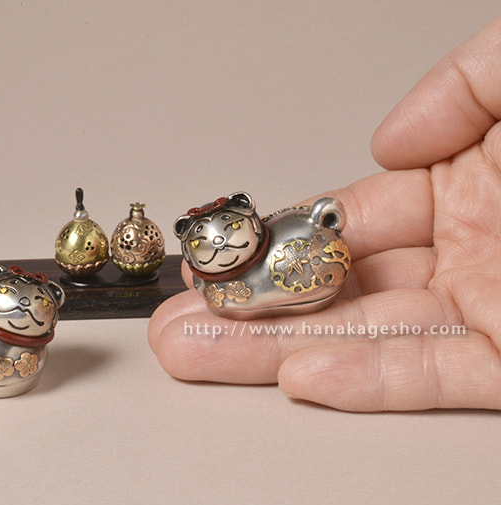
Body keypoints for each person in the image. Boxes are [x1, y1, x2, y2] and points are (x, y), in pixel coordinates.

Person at [147, 16, 501, 412]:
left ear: (247, 213)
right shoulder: (213, 287)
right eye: (202, 240)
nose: (219, 243)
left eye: (228, 229)